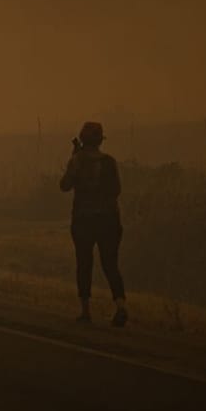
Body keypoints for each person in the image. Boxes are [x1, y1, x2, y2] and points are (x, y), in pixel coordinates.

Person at [60, 121, 126, 326]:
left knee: (84, 263)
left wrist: (73, 159)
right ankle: (121, 305)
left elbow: (64, 185)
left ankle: (86, 311)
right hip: (109, 219)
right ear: (100, 141)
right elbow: (116, 190)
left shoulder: (77, 161)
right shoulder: (109, 161)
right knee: (110, 264)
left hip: (84, 219)